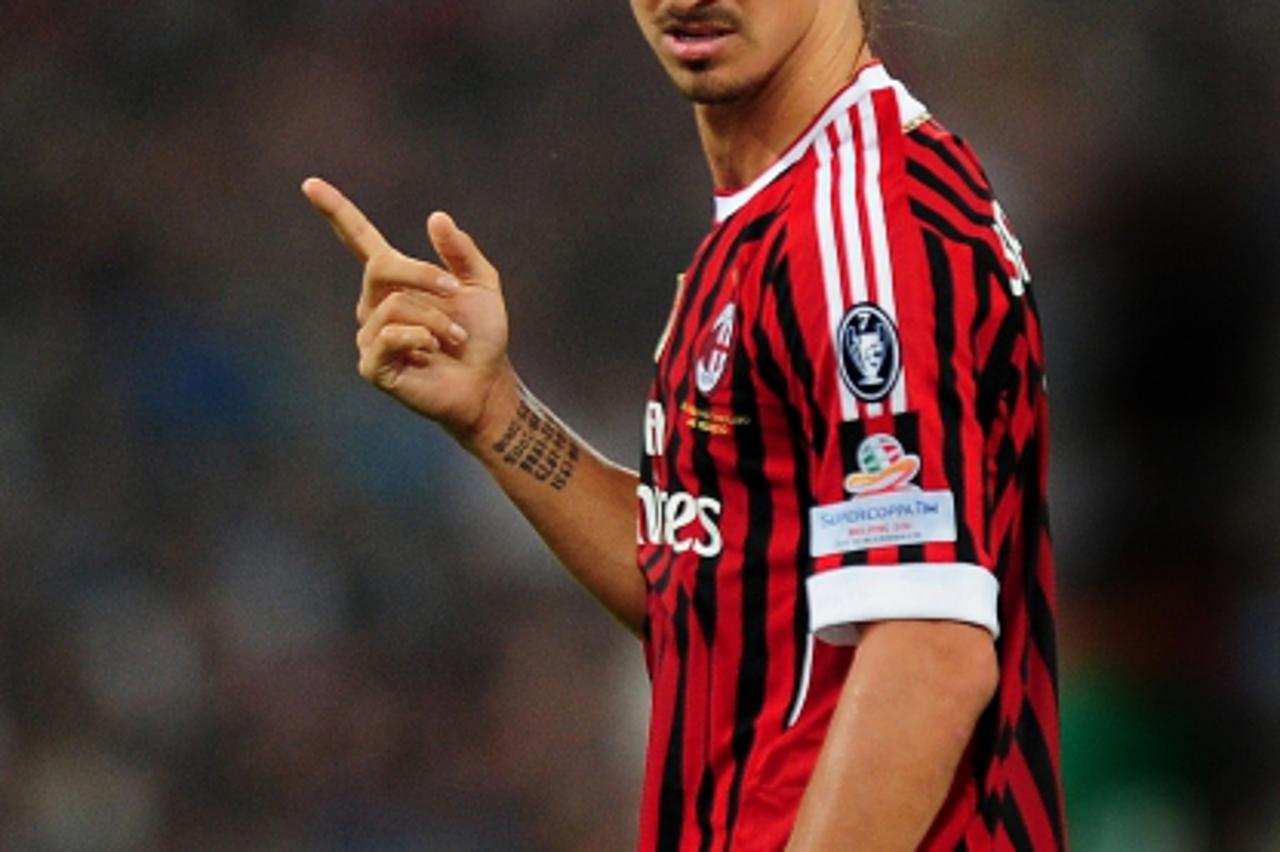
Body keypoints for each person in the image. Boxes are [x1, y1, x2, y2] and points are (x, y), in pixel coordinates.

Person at [302, 0, 1066, 848]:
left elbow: (928, 656)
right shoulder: (777, 216)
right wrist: (497, 414)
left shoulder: (863, 233)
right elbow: (712, 581)